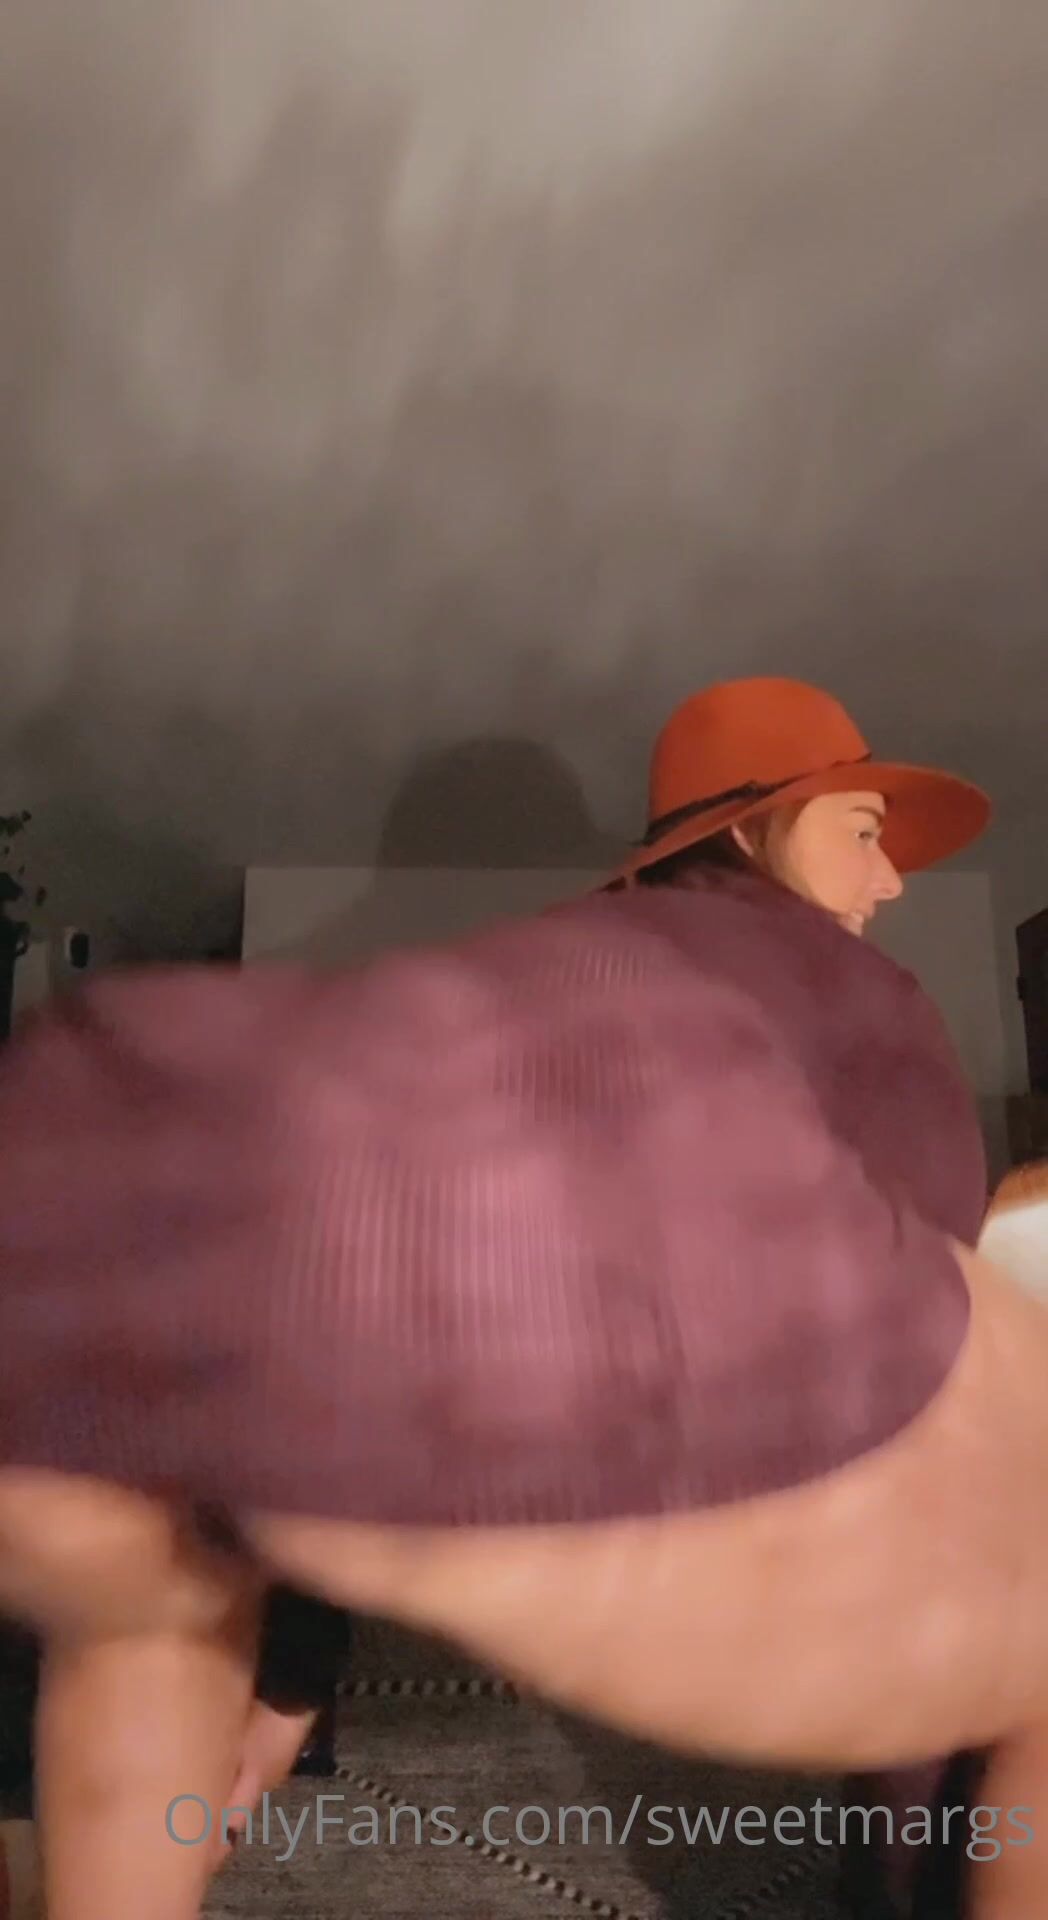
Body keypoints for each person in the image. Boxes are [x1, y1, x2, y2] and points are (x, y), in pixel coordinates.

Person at [1, 675, 1046, 1920]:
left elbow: (334, 1274)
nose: (890, 881)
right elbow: (919, 1341)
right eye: (864, 832)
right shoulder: (851, 991)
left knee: (144, 1622)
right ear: (751, 830)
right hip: (558, 1417)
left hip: (74, 1225)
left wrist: (289, 1663)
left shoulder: (537, 959)